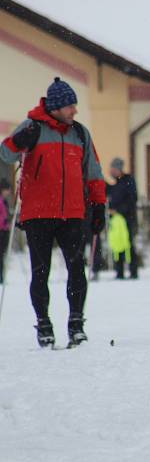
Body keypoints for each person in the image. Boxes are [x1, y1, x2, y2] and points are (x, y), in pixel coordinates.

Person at [0, 77, 106, 347]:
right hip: (38, 213)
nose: (75, 111)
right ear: (57, 107)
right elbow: (6, 154)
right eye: (70, 106)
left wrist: (98, 205)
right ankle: (44, 324)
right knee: (40, 271)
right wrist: (19, 141)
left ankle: (76, 323)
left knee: (76, 268)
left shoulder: (80, 133)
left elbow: (93, 171)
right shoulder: (32, 127)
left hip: (72, 212)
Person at [107, 157, 138, 278]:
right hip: (116, 221)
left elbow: (132, 199)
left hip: (127, 219)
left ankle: (133, 271)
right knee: (117, 244)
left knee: (128, 244)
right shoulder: (117, 184)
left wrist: (118, 210)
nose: (112, 172)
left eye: (114, 169)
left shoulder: (128, 181)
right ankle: (119, 271)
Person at [107, 207, 131, 279]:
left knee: (120, 259)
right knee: (118, 260)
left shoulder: (118, 219)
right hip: (116, 243)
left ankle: (121, 274)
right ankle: (119, 273)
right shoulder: (113, 219)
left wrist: (125, 241)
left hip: (120, 242)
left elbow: (123, 231)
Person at [0, 179, 11, 284]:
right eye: (7, 189)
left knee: (2, 254)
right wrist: (3, 221)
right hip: (1, 231)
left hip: (5, 231)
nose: (8, 192)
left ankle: (1, 276)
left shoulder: (5, 202)